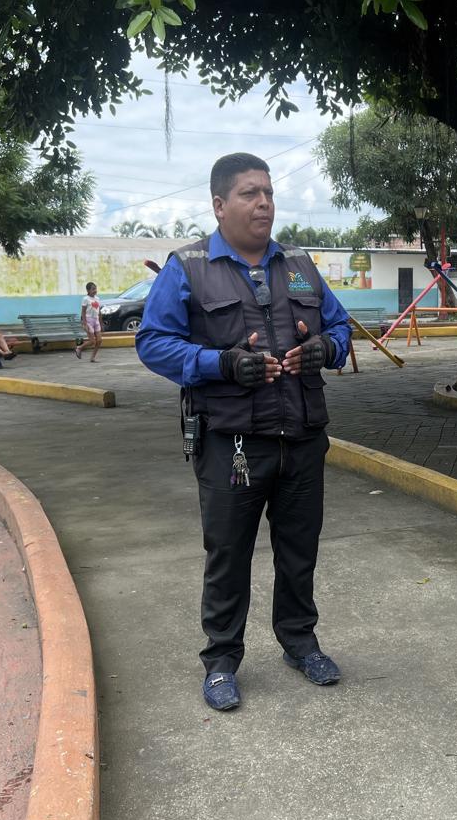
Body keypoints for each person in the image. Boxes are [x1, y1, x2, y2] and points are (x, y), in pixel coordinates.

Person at [136, 153, 353, 711]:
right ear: (219, 204)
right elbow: (153, 342)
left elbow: (338, 327)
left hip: (301, 436)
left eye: (269, 193)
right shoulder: (187, 267)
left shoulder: (299, 264)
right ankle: (221, 661)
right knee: (228, 554)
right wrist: (222, 363)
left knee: (299, 550)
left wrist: (324, 349)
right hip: (230, 441)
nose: (264, 204)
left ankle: (300, 643)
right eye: (250, 194)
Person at [75, 282, 102, 361]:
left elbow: (99, 311)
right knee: (92, 341)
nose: (95, 290)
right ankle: (79, 348)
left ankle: (92, 357)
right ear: (88, 290)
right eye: (93, 289)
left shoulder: (97, 299)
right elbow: (83, 312)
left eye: (95, 289)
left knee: (99, 340)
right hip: (89, 320)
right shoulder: (85, 299)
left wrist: (101, 322)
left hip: (96, 320)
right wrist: (85, 323)